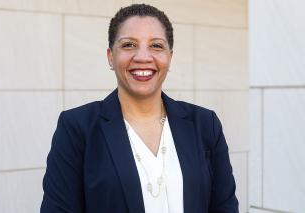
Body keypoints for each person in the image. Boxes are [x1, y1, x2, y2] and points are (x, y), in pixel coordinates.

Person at [41, 4, 239, 213]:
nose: (143, 57)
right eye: (128, 45)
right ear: (110, 56)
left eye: (156, 45)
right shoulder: (77, 128)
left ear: (169, 57)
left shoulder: (205, 124)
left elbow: (224, 208)